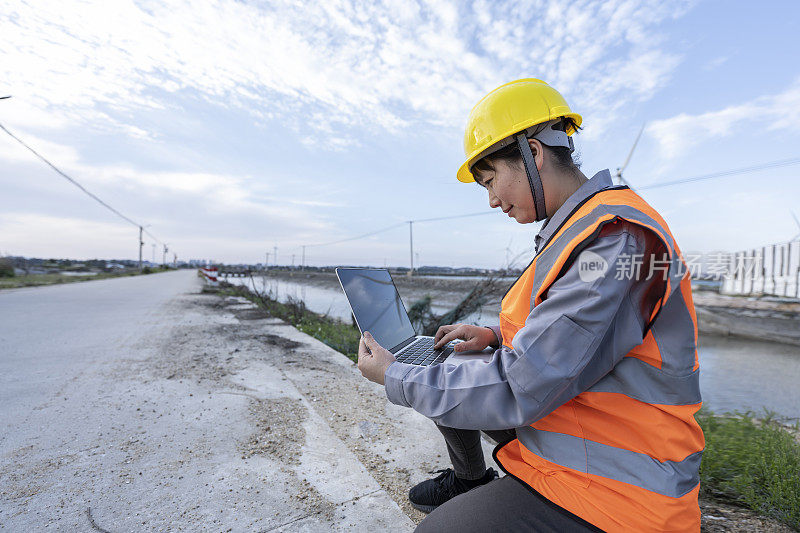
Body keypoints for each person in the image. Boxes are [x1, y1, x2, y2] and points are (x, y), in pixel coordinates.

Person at [357, 78, 704, 532]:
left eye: (491, 179)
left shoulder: (617, 240)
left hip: (622, 486)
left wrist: (395, 374)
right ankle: (472, 480)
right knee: (454, 359)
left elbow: (522, 385)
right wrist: (495, 336)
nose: (492, 200)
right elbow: (579, 335)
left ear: (533, 154)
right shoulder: (583, 228)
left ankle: (485, 492)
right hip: (578, 428)